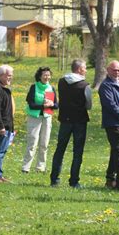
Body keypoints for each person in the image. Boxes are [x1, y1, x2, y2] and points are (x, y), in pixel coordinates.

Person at [50, 59, 92, 188]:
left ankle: (54, 179)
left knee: (60, 149)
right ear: (79, 69)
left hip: (65, 119)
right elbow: (89, 105)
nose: (85, 70)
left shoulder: (62, 81)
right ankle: (74, 181)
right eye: (84, 68)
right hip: (79, 120)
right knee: (77, 151)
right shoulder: (85, 85)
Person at [99, 60, 119, 190]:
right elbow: (111, 105)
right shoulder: (106, 86)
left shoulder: (117, 84)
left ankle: (110, 178)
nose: (117, 72)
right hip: (113, 123)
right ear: (108, 70)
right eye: (114, 70)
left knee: (115, 152)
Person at [21, 67, 58, 173]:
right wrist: (43, 106)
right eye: (44, 75)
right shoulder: (34, 87)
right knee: (32, 142)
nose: (47, 77)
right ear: (40, 76)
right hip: (34, 117)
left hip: (47, 118)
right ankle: (25, 167)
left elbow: (56, 105)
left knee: (44, 143)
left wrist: (52, 104)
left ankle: (40, 167)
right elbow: (31, 104)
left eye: (48, 75)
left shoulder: (51, 88)